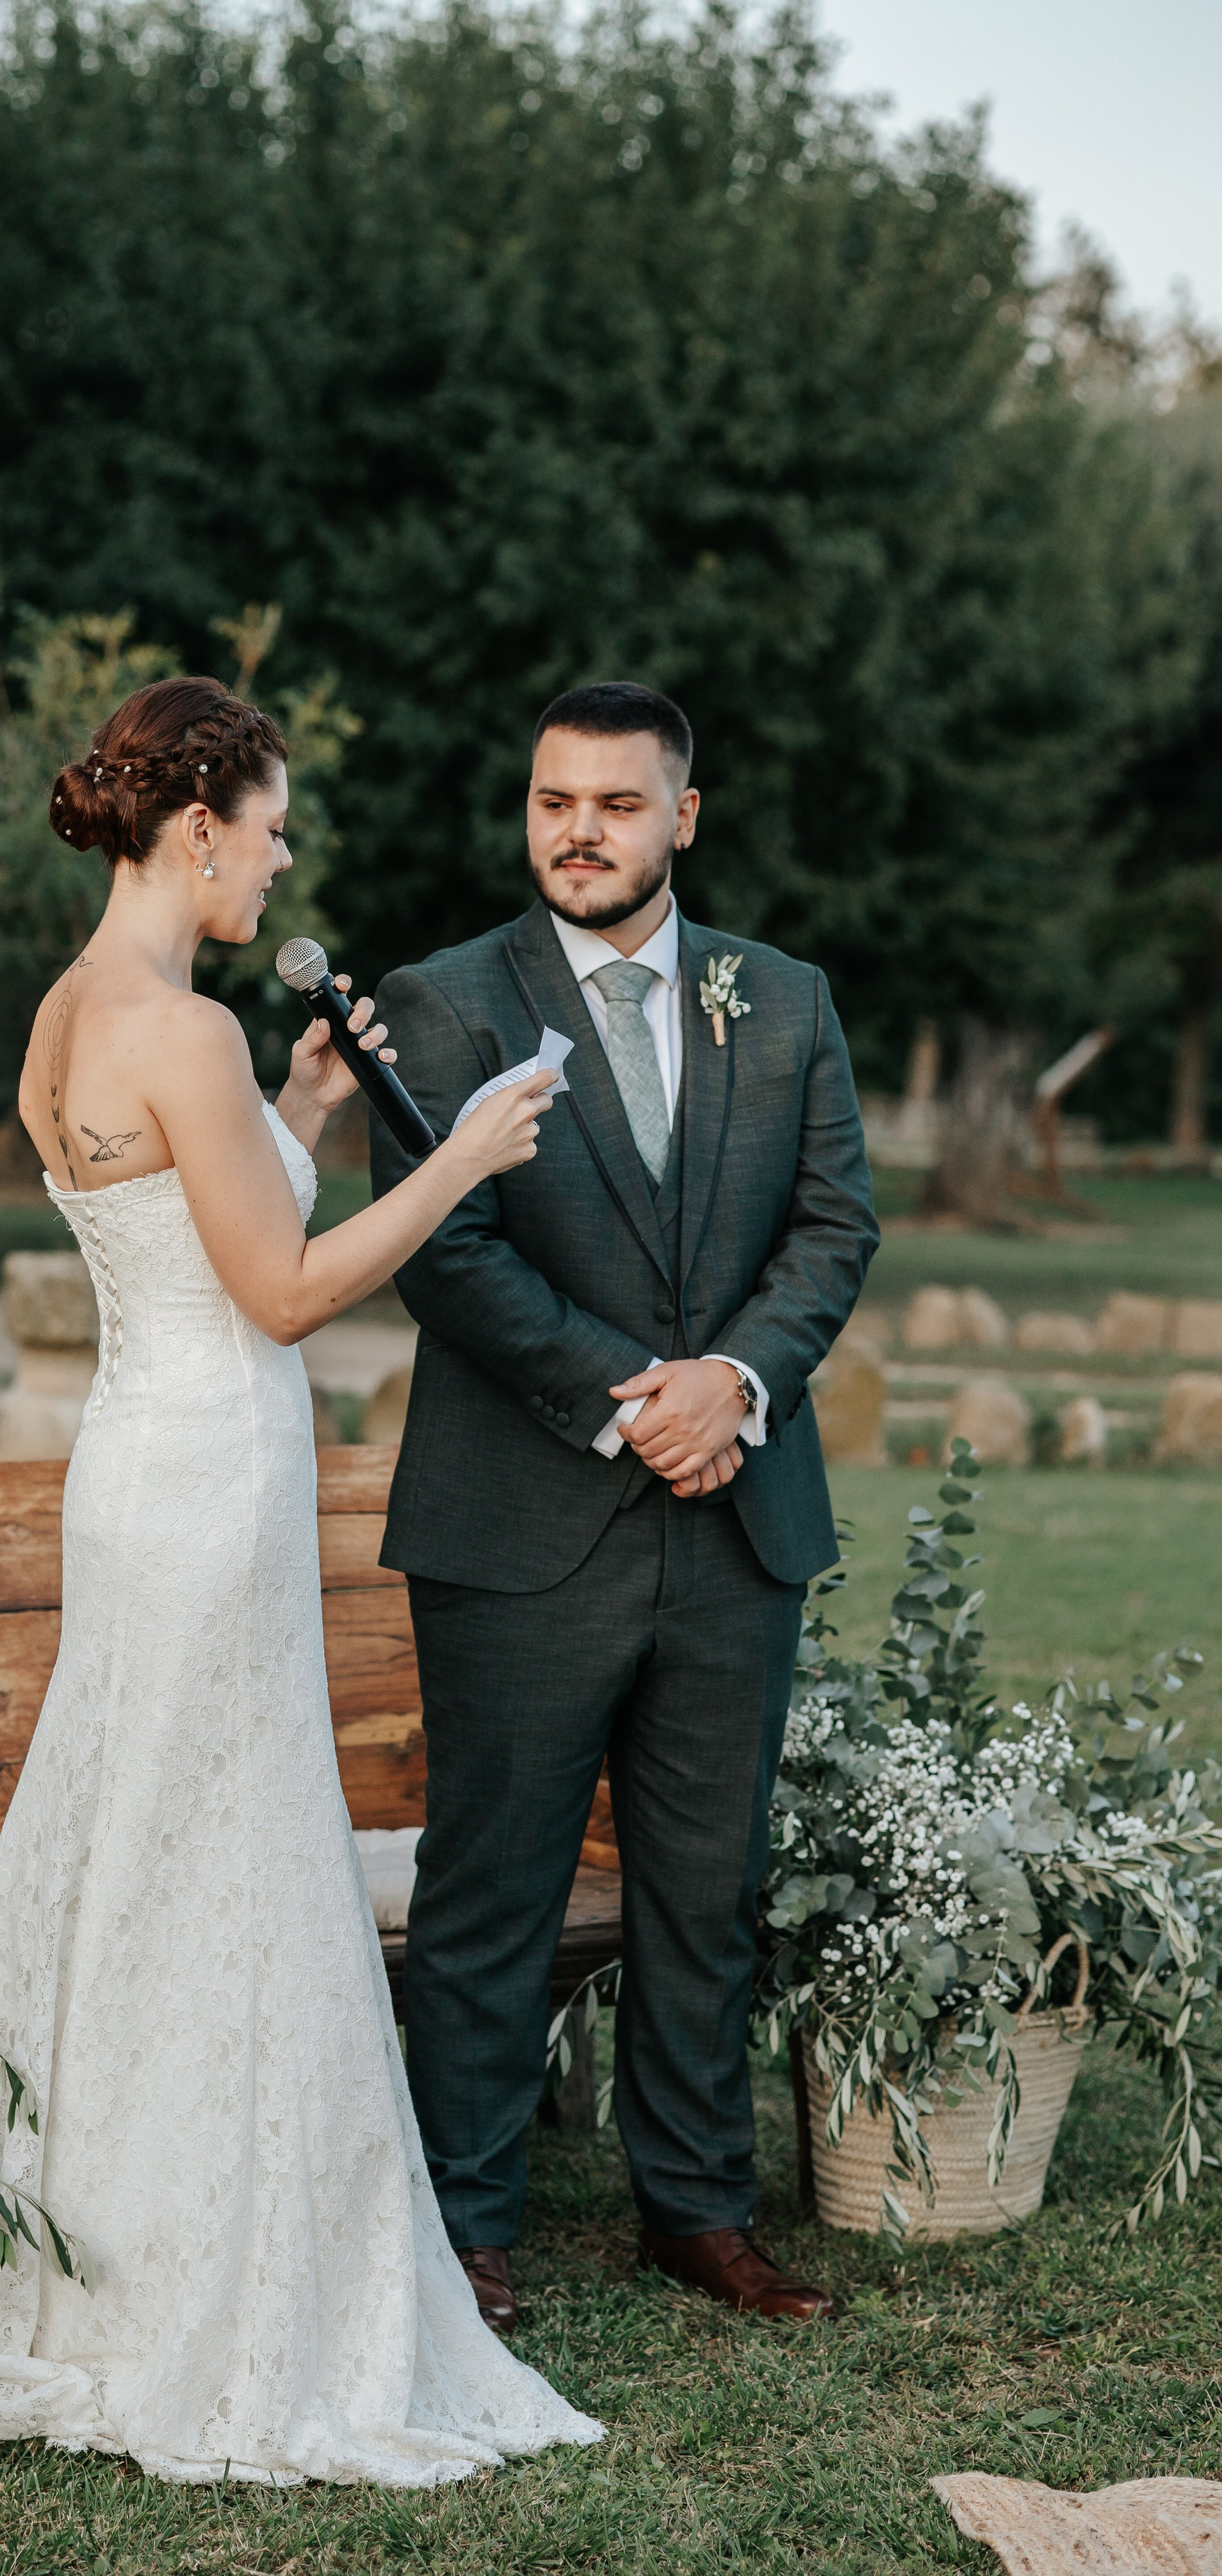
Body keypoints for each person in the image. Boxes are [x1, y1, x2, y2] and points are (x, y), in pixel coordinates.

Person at [0, 675, 601, 2485]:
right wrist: (463, 1157)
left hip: (141, 1471)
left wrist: (302, 1096)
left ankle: (85, 2266)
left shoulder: (80, 1016)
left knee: (139, 1857)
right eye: (269, 830)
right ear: (195, 829)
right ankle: (215, 2288)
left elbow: (192, 1228)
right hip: (212, 1480)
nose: (282, 861)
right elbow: (277, 1295)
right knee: (233, 1857)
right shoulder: (171, 1031)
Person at [369, 681, 879, 2335]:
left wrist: (727, 1389)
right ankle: (461, 2223)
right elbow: (439, 1252)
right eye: (548, 801)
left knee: (701, 1883)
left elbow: (831, 1227)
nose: (575, 830)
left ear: (682, 815)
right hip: (525, 1522)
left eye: (612, 802)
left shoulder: (781, 999)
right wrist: (633, 1402)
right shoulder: (437, 1007)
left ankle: (695, 2208)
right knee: (490, 1889)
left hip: (735, 1514)